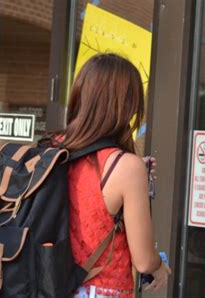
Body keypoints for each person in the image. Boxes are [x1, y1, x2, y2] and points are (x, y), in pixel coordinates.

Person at [57, 53, 171, 297]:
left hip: (48, 285)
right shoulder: (126, 168)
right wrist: (160, 268)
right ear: (126, 105)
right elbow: (143, 261)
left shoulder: (52, 150)